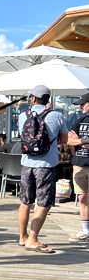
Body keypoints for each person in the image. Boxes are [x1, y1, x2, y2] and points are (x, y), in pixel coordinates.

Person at [17, 85, 68, 253]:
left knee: (25, 201)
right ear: (48, 99)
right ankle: (33, 239)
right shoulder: (56, 116)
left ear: (33, 98)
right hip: (46, 165)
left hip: (27, 163)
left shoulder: (23, 116)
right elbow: (64, 140)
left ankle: (23, 237)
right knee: (43, 203)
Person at [65, 92, 89, 242]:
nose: (80, 108)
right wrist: (82, 141)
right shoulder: (80, 121)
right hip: (79, 163)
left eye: (82, 104)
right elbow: (68, 140)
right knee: (82, 197)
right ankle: (86, 231)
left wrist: (78, 140)